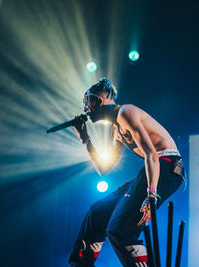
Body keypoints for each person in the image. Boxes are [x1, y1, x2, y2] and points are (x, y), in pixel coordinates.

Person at [68, 78, 184, 267]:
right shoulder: (117, 128)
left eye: (87, 102)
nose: (85, 109)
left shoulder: (125, 112)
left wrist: (151, 194)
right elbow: (103, 169)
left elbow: (151, 154)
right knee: (97, 212)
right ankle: (81, 264)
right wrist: (85, 139)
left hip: (167, 165)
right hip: (152, 169)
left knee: (121, 229)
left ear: (99, 100)